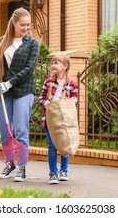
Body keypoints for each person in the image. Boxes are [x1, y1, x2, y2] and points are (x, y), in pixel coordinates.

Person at [0, 7, 39, 182]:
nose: (26, 28)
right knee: (4, 130)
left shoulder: (32, 44)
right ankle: (10, 162)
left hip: (23, 91)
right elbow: (0, 70)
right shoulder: (2, 42)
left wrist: (9, 83)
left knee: (21, 130)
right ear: (14, 23)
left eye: (28, 25)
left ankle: (21, 166)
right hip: (5, 93)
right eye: (22, 25)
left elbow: (29, 69)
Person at [39, 53, 78, 184]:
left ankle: (64, 171)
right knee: (52, 146)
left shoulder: (72, 84)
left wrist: (73, 100)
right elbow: (41, 98)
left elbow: (76, 100)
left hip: (64, 120)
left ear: (65, 66)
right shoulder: (48, 82)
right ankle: (53, 173)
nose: (53, 65)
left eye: (56, 63)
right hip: (49, 120)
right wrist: (46, 103)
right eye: (52, 63)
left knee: (64, 143)